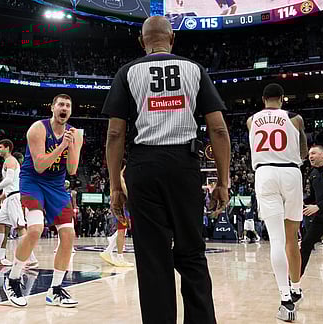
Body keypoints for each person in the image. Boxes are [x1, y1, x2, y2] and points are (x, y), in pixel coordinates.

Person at [102, 16, 230, 324]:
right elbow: (219, 129)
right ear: (172, 40)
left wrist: (115, 187)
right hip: (184, 166)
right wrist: (222, 181)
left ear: (141, 42)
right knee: (192, 254)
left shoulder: (127, 72)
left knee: (153, 260)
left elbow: (115, 134)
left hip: (142, 167)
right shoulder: (195, 69)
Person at [4, 94, 83, 308]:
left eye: (68, 105)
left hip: (57, 186)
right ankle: (12, 279)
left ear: (70, 110)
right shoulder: (38, 129)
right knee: (35, 229)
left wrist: (72, 145)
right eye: (61, 104)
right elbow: (40, 166)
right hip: (33, 182)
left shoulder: (75, 134)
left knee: (68, 234)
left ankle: (55, 290)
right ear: (53, 108)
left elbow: (72, 170)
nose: (64, 108)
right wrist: (61, 146)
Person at [247, 83, 308, 321]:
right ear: (283, 99)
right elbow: (303, 152)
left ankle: (285, 301)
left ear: (263, 100)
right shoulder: (296, 119)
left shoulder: (251, 121)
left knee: (276, 240)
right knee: (292, 238)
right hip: (291, 173)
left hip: (265, 174)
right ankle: (296, 288)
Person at [0, 139, 37, 268]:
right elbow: (14, 180)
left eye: (0, 147)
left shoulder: (10, 160)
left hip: (14, 198)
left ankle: (31, 258)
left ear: (7, 148)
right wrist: (4, 193)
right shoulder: (10, 161)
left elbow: (9, 179)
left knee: (20, 227)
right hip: (10, 196)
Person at [100, 162, 134, 267]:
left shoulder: (116, 178)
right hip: (121, 206)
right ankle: (119, 257)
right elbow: (126, 191)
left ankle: (108, 251)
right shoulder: (119, 178)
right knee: (121, 232)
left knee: (122, 232)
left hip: (120, 205)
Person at [300, 144, 323, 277]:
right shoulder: (313, 173)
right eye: (309, 154)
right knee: (305, 244)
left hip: (321, 210)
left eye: (314, 153)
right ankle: (294, 277)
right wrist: (301, 203)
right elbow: (314, 197)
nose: (310, 156)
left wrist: (319, 206)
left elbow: (318, 202)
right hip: (321, 218)